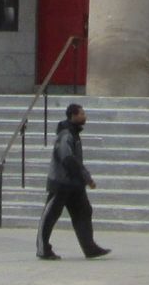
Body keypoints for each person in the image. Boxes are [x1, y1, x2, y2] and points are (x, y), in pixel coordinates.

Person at [36, 102, 109, 260]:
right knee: (50, 215)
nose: (85, 116)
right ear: (73, 116)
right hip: (61, 183)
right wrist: (86, 177)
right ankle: (43, 249)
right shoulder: (66, 134)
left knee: (84, 211)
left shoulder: (74, 134)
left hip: (75, 184)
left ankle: (89, 247)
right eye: (82, 114)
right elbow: (68, 158)